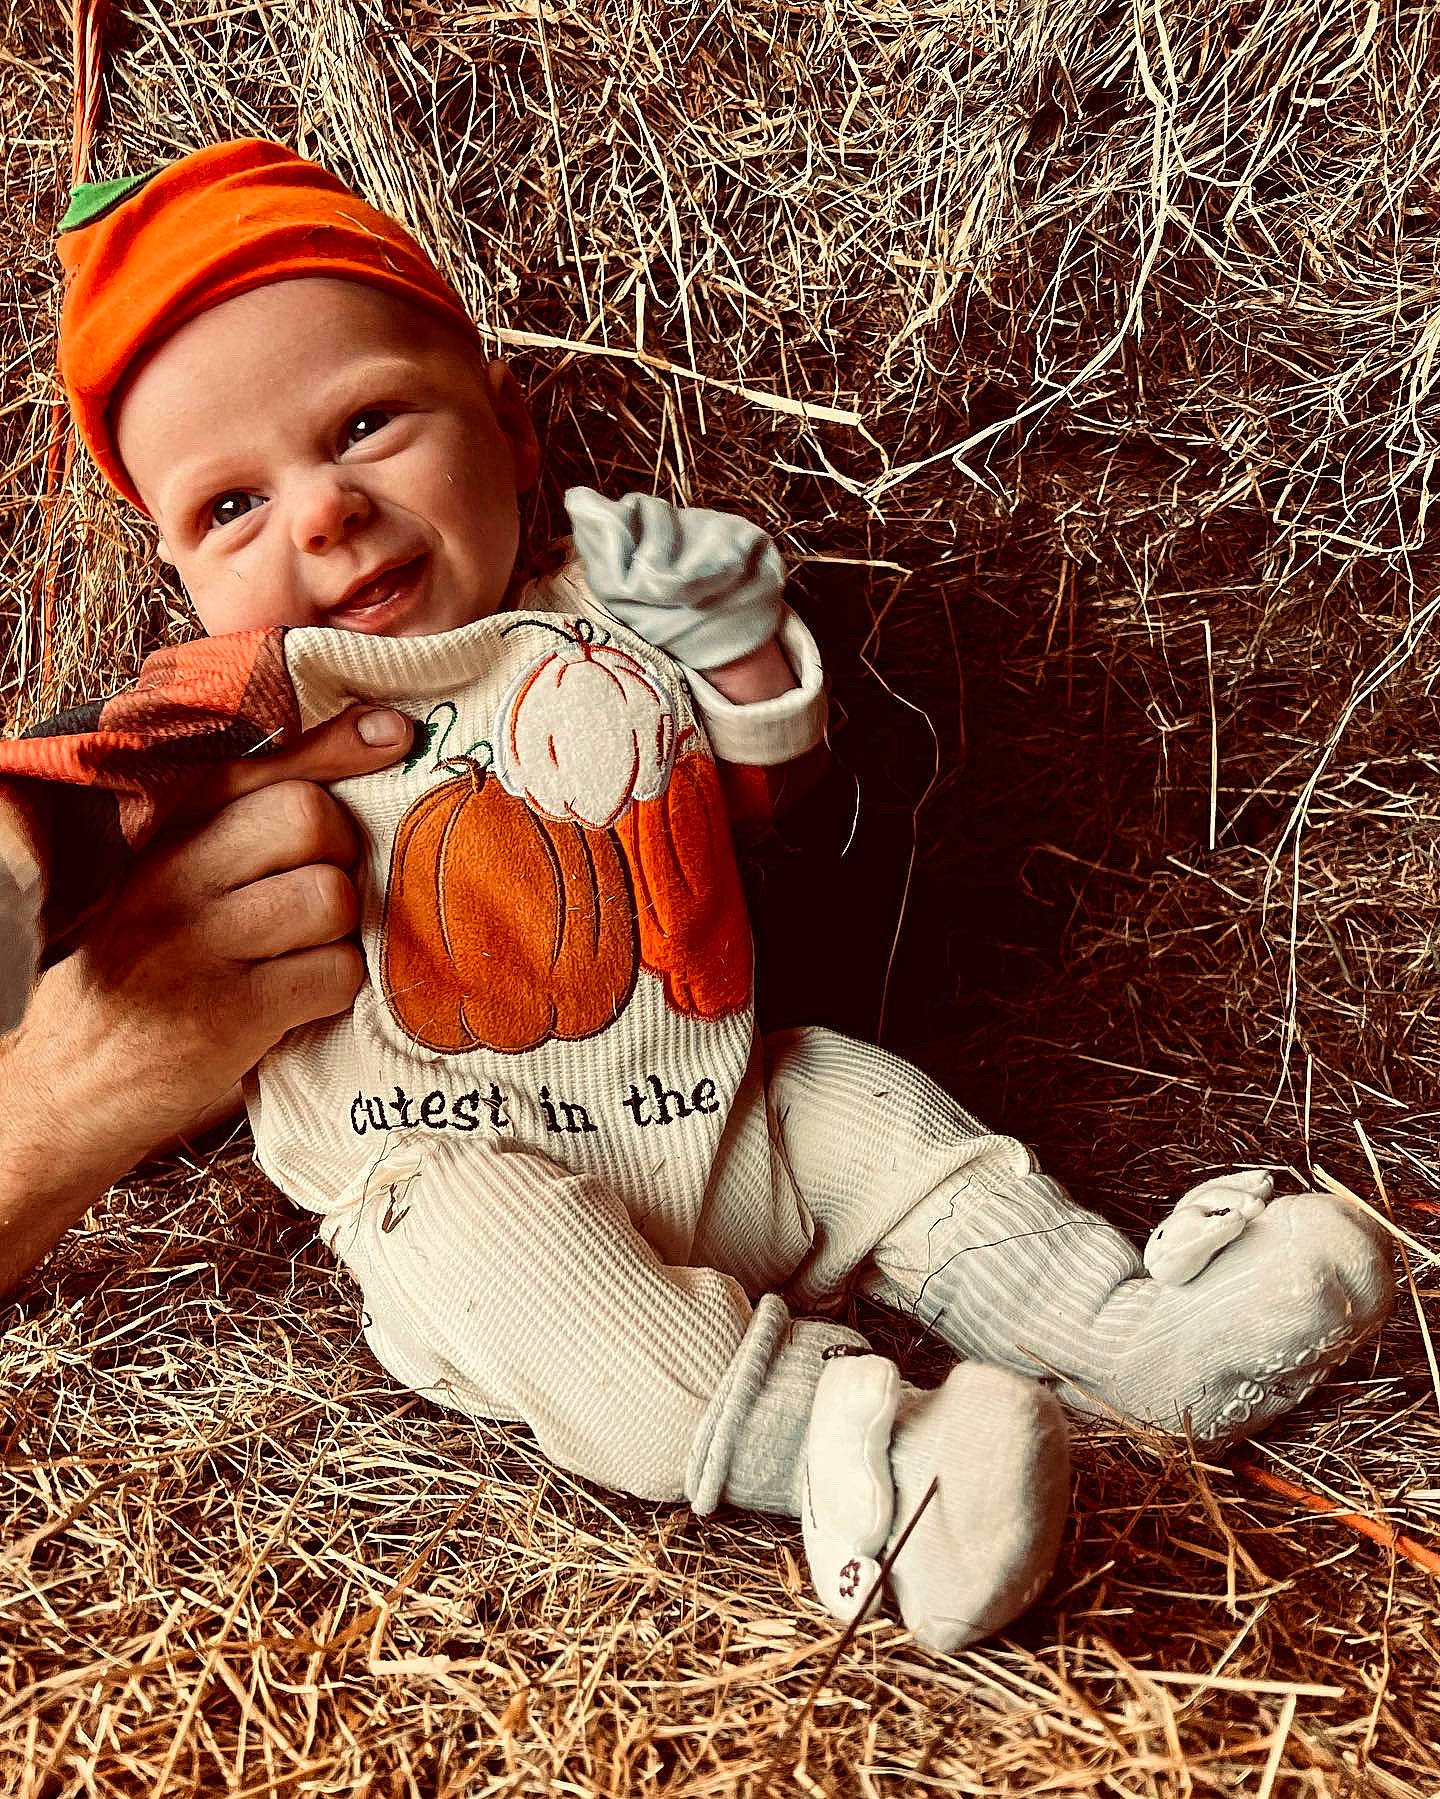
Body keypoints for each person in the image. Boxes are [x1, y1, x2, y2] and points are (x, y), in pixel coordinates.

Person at [0, 139, 1393, 1653]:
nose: (320, 514)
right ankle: (868, 1460)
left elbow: (754, 786)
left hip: (726, 1108)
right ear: (175, 569)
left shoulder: (609, 609)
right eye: (228, 510)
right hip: (461, 1168)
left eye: (366, 422)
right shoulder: (244, 699)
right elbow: (78, 786)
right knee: (500, 1260)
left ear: (510, 428)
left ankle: (1133, 1337)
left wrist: (730, 647)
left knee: (876, 1118)